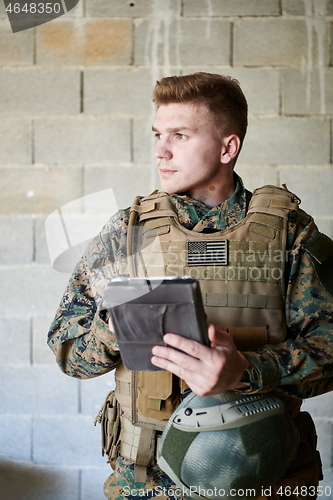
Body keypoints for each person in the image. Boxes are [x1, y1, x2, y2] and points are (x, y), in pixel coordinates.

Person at [48, 73, 333, 500]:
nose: (160, 151)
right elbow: (68, 352)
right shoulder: (125, 234)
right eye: (158, 134)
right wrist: (118, 322)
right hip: (147, 485)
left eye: (179, 135)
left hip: (261, 480)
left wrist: (248, 371)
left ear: (227, 147)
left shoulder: (290, 234)